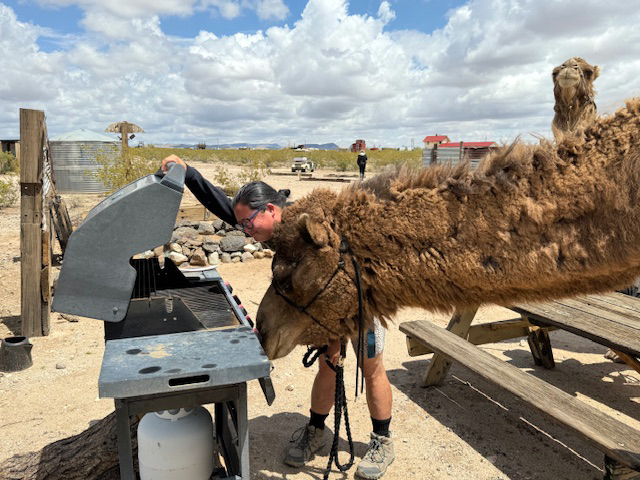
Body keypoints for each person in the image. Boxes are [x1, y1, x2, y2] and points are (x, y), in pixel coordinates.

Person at [161, 154, 395, 479]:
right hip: (321, 305)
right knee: (329, 362)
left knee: (371, 368)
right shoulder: (273, 229)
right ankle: (316, 430)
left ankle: (382, 440)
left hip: (359, 301)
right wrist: (189, 173)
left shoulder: (309, 222)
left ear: (271, 209)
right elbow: (222, 205)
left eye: (248, 223)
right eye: (241, 224)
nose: (243, 231)